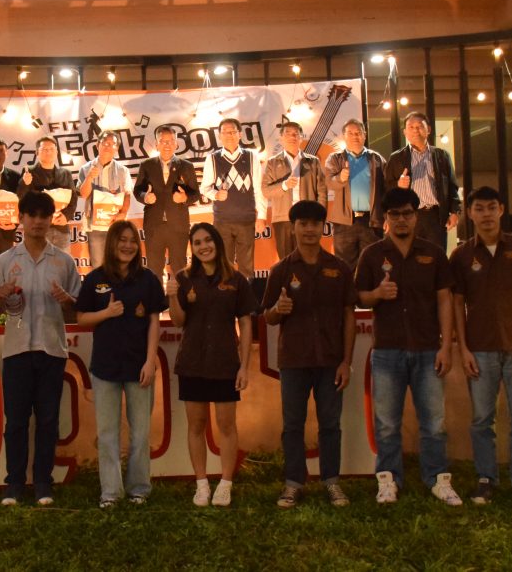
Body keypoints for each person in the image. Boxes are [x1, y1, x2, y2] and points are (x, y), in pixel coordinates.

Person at [355, 187, 462, 506]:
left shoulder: (433, 253)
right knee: (387, 423)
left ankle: (437, 479)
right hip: (387, 350)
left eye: (407, 213)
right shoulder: (372, 255)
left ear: (415, 217)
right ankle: (388, 480)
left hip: (428, 349)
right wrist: (377, 295)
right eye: (395, 214)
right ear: (386, 218)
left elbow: (444, 300)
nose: (401, 219)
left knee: (434, 422)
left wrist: (446, 346)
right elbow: (359, 297)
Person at [450, 186, 512, 507]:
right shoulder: (462, 256)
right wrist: (463, 349)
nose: (486, 215)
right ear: (470, 214)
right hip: (480, 347)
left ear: (501, 210)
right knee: (482, 420)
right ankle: (485, 480)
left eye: (492, 208)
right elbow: (457, 305)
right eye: (479, 208)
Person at [0, 191, 82, 506]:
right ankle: (14, 483)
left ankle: (43, 483)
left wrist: (67, 301)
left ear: (51, 219)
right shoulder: (5, 261)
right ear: (22, 219)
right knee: (15, 422)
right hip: (16, 351)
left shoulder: (64, 261)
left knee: (48, 420)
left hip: (52, 350)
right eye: (32, 215)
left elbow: (76, 309)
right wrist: (1, 295)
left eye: (44, 216)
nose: (38, 221)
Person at [262, 201, 356, 508]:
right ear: (293, 228)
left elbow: (349, 316)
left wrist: (346, 362)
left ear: (323, 227)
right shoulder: (281, 270)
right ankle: (293, 484)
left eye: (315, 223)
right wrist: (278, 309)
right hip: (294, 361)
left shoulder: (339, 268)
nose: (309, 229)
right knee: (293, 425)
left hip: (331, 361)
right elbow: (268, 316)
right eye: (303, 223)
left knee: (330, 424)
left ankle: (332, 482)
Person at [75, 221, 166, 508]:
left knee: (140, 433)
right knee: (107, 433)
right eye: (122, 240)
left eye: (132, 240)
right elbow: (81, 318)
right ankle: (111, 493)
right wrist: (107, 312)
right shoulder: (95, 279)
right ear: (112, 243)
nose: (128, 246)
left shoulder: (148, 279)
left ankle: (139, 489)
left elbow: (154, 322)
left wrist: (150, 361)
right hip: (105, 368)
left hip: (139, 366)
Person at [167, 222, 256, 507]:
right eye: (197, 242)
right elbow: (179, 321)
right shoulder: (183, 279)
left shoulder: (236, 280)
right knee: (196, 425)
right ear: (192, 248)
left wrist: (244, 366)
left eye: (208, 240)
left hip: (225, 362)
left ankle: (226, 484)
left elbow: (245, 322)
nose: (203, 246)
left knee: (226, 425)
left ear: (217, 243)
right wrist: (172, 295)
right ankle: (202, 484)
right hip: (192, 362)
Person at [200, 118, 267, 279]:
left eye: (233, 132)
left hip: (246, 219)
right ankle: (226, 293)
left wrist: (262, 216)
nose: (229, 135)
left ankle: (246, 293)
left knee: (246, 266)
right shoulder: (212, 158)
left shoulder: (251, 156)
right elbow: (204, 188)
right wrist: (216, 195)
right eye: (225, 132)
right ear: (219, 136)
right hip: (222, 220)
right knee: (224, 264)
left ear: (240, 134)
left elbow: (259, 189)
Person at [384, 112, 461, 250]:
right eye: (411, 127)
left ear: (428, 129)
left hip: (435, 216)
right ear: (405, 132)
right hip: (408, 215)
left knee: (436, 256)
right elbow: (386, 188)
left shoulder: (441, 156)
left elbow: (452, 186)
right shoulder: (396, 158)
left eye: (419, 126)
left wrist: (454, 211)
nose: (415, 130)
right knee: (408, 254)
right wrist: (398, 185)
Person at [133, 124, 200, 279]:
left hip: (178, 225)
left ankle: (180, 295)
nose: (167, 145)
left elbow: (196, 193)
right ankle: (156, 296)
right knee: (153, 269)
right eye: (163, 141)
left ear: (176, 144)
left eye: (171, 141)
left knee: (179, 267)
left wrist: (185, 198)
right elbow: (138, 190)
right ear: (156, 144)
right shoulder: (146, 165)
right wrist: (145, 197)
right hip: (154, 225)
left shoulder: (186, 166)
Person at [324, 118, 387, 268]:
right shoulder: (335, 158)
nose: (355, 136)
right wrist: (340, 178)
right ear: (344, 136)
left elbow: (387, 189)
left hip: (372, 221)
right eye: (350, 133)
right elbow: (329, 182)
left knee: (372, 264)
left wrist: (386, 216)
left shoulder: (376, 158)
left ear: (365, 135)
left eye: (358, 133)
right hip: (344, 222)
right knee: (345, 266)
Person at [261, 121, 327, 260]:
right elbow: (266, 191)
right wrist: (284, 185)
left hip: (308, 218)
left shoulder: (312, 161)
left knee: (309, 257)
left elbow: (322, 191)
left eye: (295, 134)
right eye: (288, 133)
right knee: (286, 259)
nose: (292, 137)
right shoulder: (273, 162)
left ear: (301, 137)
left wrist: (319, 216)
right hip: (283, 218)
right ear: (281, 138)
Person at [77, 130, 133, 268]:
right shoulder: (86, 168)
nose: (108, 146)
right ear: (97, 145)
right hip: (95, 226)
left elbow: (127, 194)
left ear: (117, 148)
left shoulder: (123, 170)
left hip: (116, 225)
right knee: (98, 265)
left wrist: (123, 214)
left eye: (112, 144)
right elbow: (83, 195)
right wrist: (89, 177)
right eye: (105, 143)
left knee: (119, 264)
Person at [16, 136, 78, 253]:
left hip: (61, 230)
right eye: (44, 149)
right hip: (37, 230)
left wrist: (66, 216)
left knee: (62, 263)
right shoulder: (28, 172)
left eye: (51, 149)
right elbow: (21, 199)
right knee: (36, 262)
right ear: (37, 152)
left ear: (57, 152)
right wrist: (25, 184)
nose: (48, 152)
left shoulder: (65, 174)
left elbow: (73, 199)